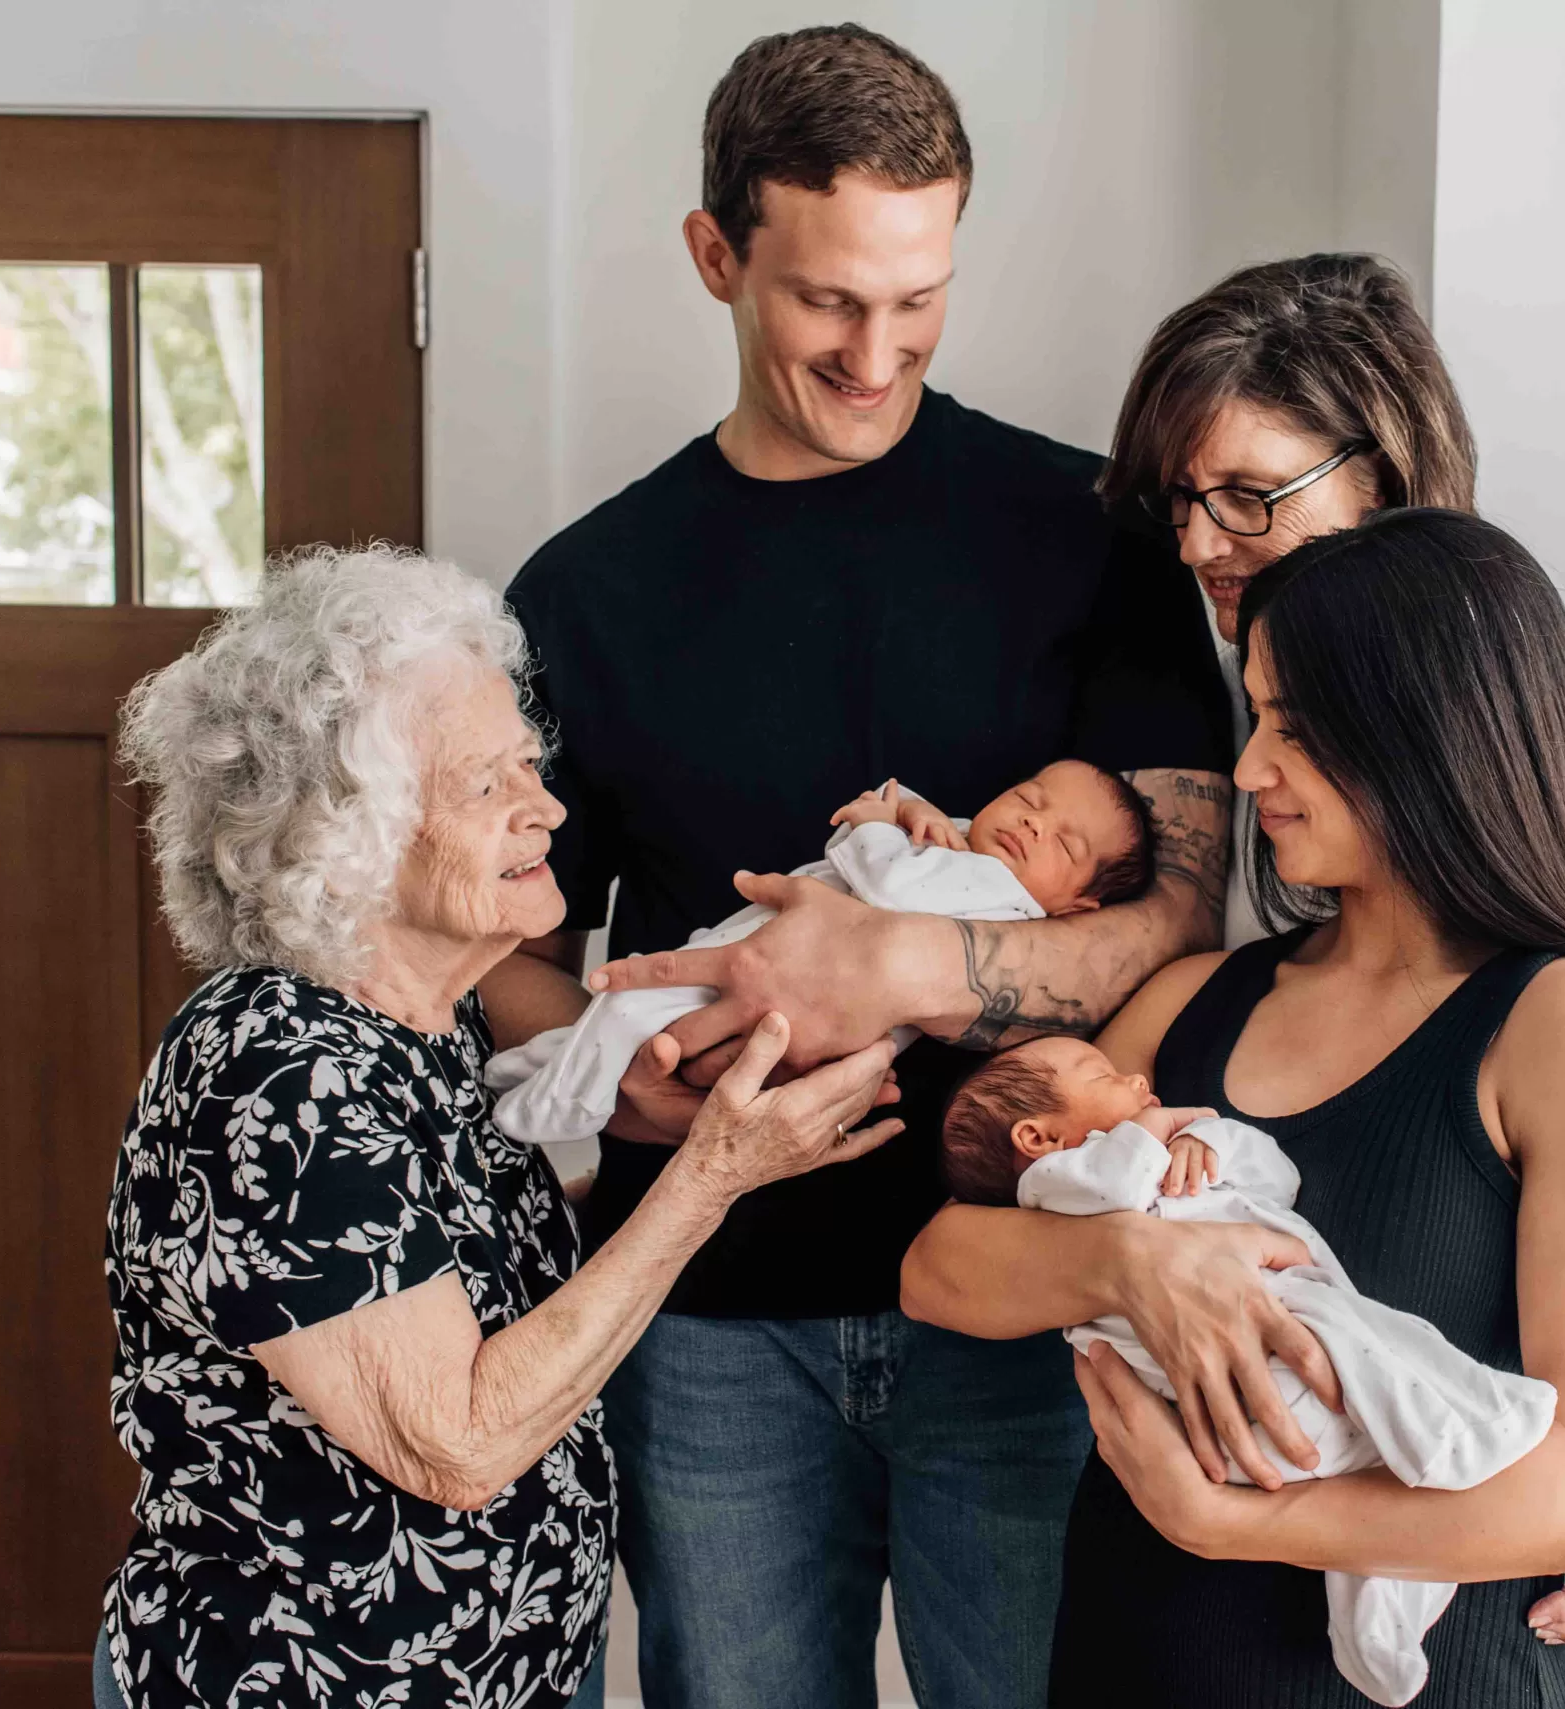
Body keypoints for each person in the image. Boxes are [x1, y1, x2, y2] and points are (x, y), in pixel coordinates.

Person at [475, 26, 1232, 1709]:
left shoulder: (1088, 536)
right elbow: (491, 957)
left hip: (1031, 1299)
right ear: (716, 256)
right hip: (709, 1318)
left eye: (918, 295)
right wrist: (625, 1099)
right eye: (827, 300)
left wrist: (905, 969)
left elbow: (1184, 910)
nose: (876, 352)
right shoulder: (585, 591)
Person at [907, 509, 1565, 1705]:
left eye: (1289, 723)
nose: (1246, 771)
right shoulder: (1191, 1002)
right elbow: (940, 1267)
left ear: (1426, 728)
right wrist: (1131, 1264)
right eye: (1255, 716)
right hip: (1127, 1659)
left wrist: (1231, 1521)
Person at [96, 547, 902, 1709]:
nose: (549, 808)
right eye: (487, 785)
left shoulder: (429, 1021)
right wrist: (711, 1179)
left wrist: (713, 1147)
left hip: (503, 1673)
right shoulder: (276, 1069)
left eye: (530, 764)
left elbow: (443, 1274)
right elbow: (455, 1442)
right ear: (345, 832)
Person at [1106, 251, 1565, 1703]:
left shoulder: (1563, 657)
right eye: (1181, 500)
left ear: (1383, 473)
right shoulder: (1245, 675)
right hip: (1402, 1320)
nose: (1204, 538)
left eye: (1247, 493)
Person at [941, 1040, 1562, 1707]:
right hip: (1240, 1396)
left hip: (1272, 1366)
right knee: (1378, 1351)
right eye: (1104, 1075)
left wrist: (1209, 1140)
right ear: (1038, 1136)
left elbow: (1277, 1178)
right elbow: (1110, 1184)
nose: (1136, 1076)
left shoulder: (1163, 1153)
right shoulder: (1052, 1187)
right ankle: (1465, 1429)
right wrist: (1155, 1132)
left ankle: (1373, 1627)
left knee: (1377, 1412)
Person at [485, 761, 1159, 1152]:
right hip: (743, 972)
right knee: (618, 1024)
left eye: (1066, 846)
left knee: (628, 1012)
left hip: (768, 1007)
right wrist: (915, 809)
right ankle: (533, 1070)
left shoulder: (1001, 897)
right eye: (1028, 799)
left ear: (1076, 907)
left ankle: (537, 1113)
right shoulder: (969, 849)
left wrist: (875, 823)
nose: (1034, 822)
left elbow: (889, 879)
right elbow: (913, 804)